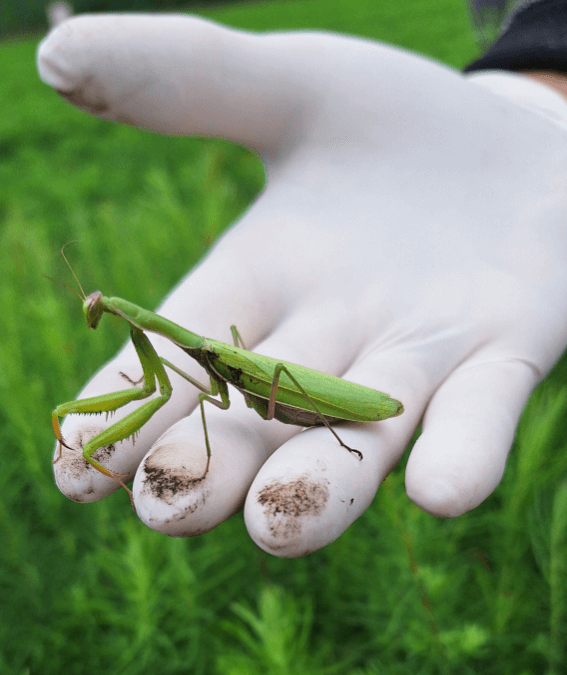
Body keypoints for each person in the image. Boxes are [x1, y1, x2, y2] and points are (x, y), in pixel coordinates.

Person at [37, 0, 567, 557]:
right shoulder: (178, 348)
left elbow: (159, 388)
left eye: (98, 305)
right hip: (265, 385)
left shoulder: (183, 347)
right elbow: (157, 388)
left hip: (299, 392)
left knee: (231, 377)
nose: (96, 311)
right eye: (97, 307)